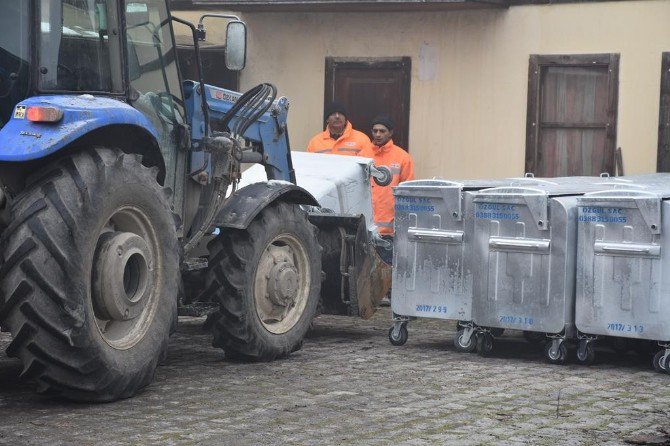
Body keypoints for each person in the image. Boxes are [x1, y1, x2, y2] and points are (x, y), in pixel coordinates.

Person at [359, 115, 415, 238]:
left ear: (390, 133)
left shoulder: (402, 157)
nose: (378, 134)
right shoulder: (362, 156)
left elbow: (408, 191)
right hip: (364, 229)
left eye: (382, 131)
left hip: (391, 231)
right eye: (375, 131)